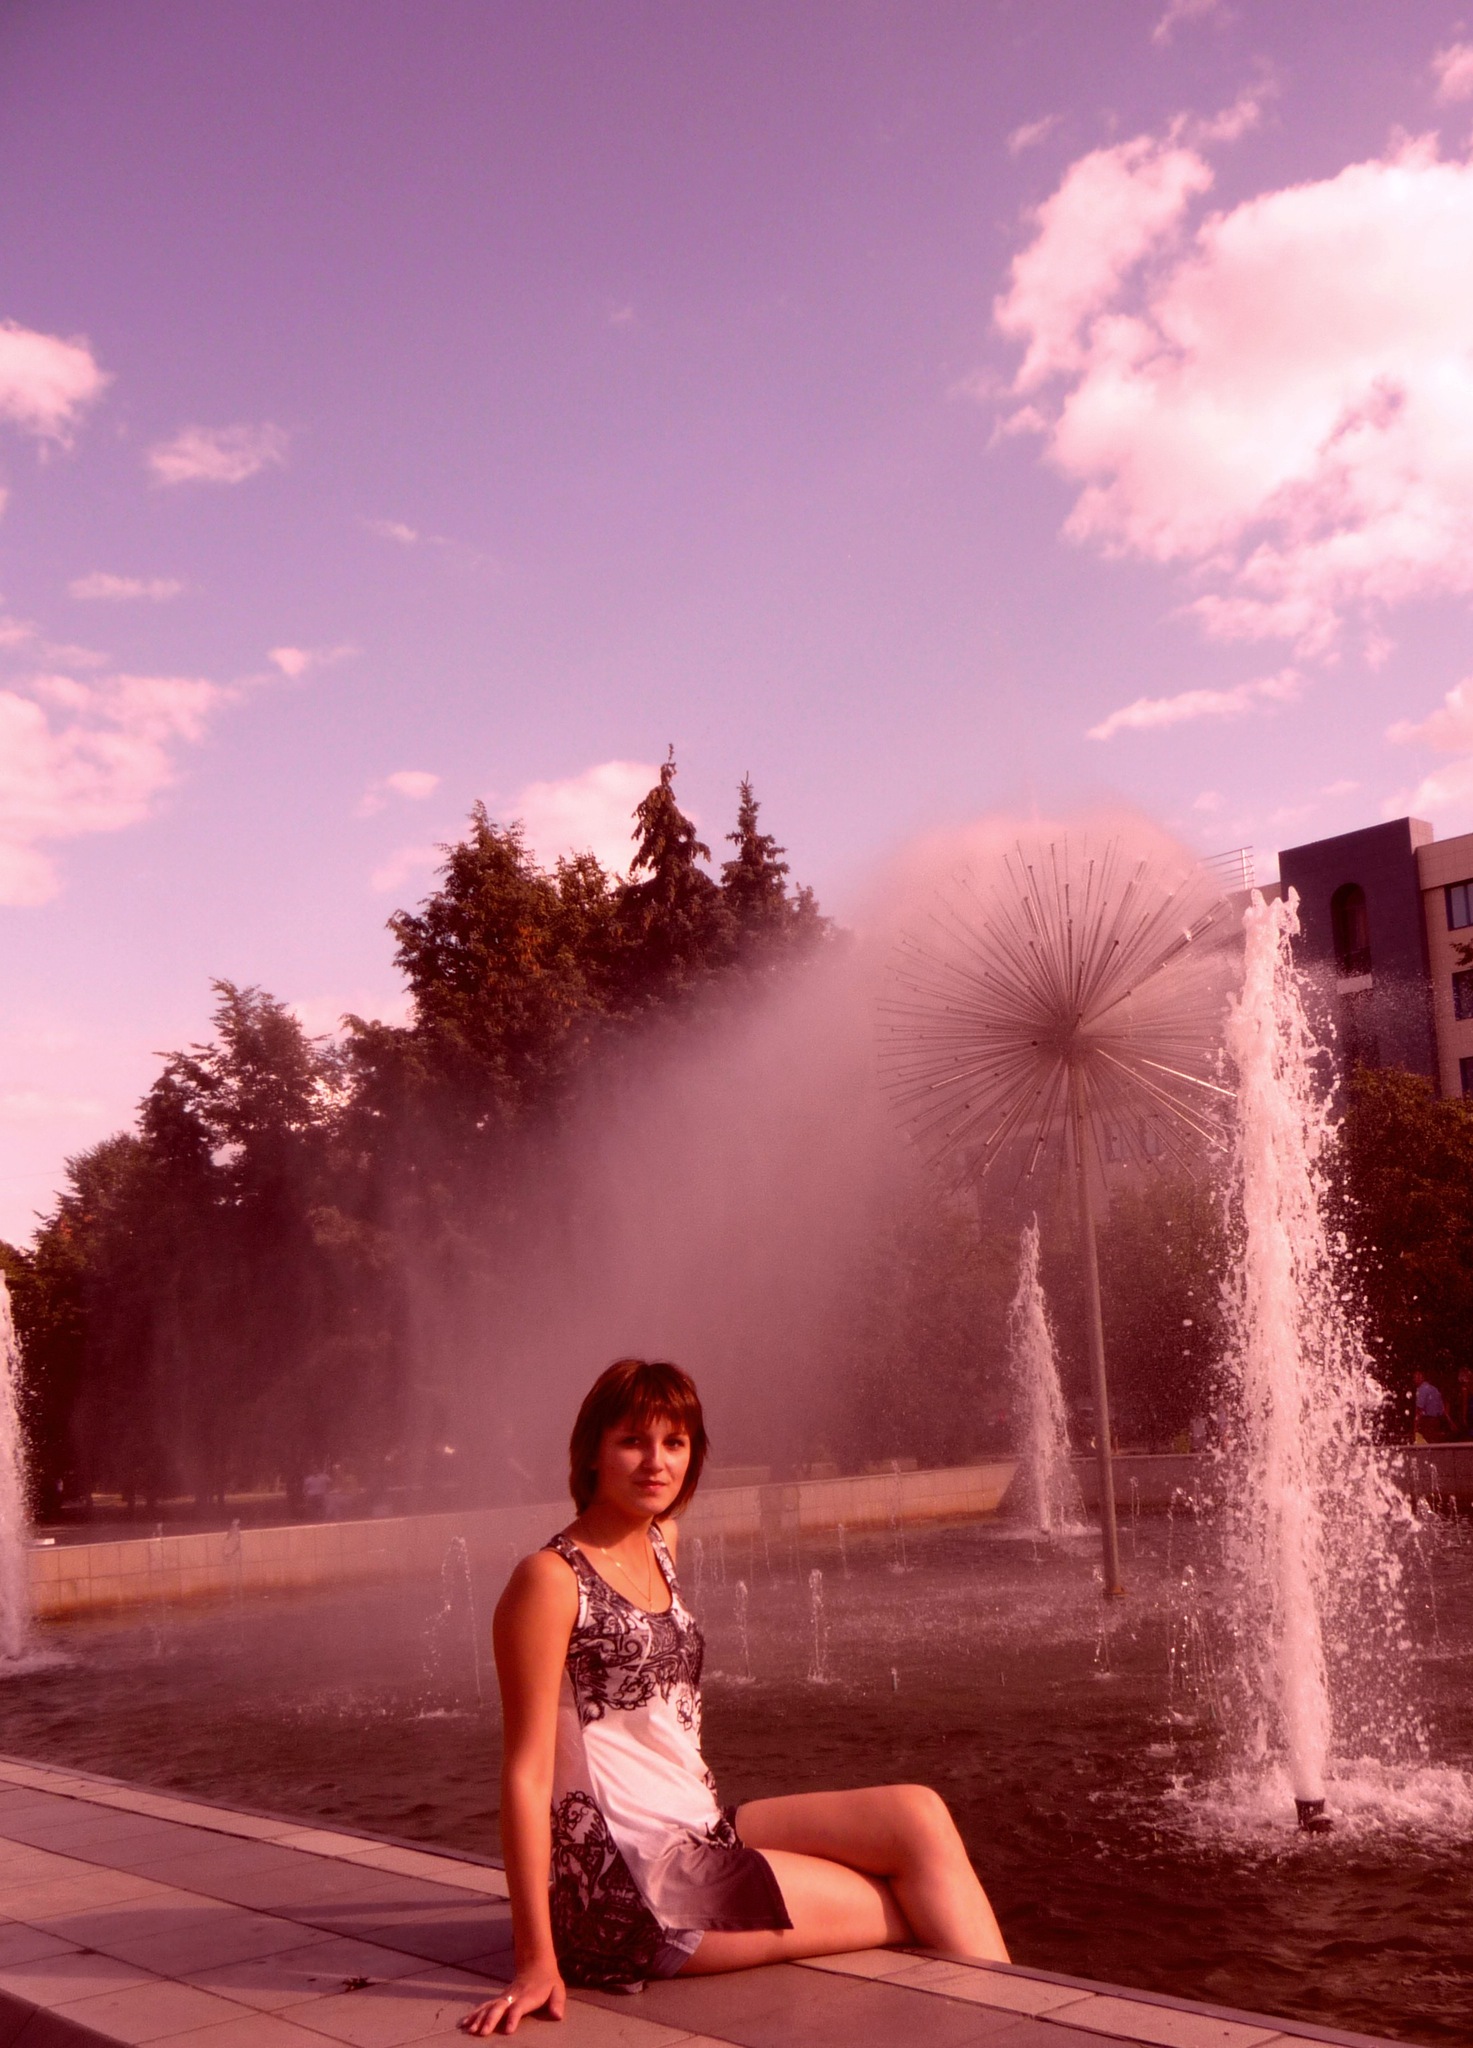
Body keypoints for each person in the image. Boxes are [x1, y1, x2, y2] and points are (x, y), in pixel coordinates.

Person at [461, 1359, 1008, 2036]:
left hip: (699, 1828)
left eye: (674, 1442)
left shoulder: (661, 1543)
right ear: (592, 1452)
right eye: (632, 1441)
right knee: (918, 1901)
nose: (656, 1462)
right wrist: (534, 1961)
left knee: (917, 1814)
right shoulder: (548, 1580)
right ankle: (1012, 2029)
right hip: (634, 1887)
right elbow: (525, 1774)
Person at [1413, 1368, 1448, 1444]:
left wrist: (1415, 1425)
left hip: (1426, 1421)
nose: (1414, 1379)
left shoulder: (1422, 1389)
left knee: (1425, 1443)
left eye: (1416, 1377)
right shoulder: (1434, 1389)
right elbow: (1441, 1408)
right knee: (1434, 1442)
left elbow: (1419, 1409)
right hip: (1436, 1420)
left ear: (1422, 1377)